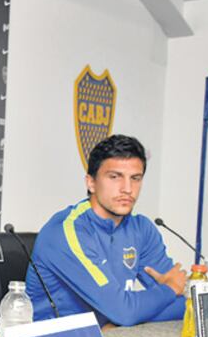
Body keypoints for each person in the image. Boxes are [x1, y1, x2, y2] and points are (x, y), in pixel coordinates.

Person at [26, 134, 187, 326]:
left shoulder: (141, 229)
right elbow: (126, 311)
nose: (127, 189)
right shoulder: (67, 231)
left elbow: (184, 305)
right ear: (91, 183)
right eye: (115, 177)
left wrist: (120, 319)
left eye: (135, 178)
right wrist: (168, 290)